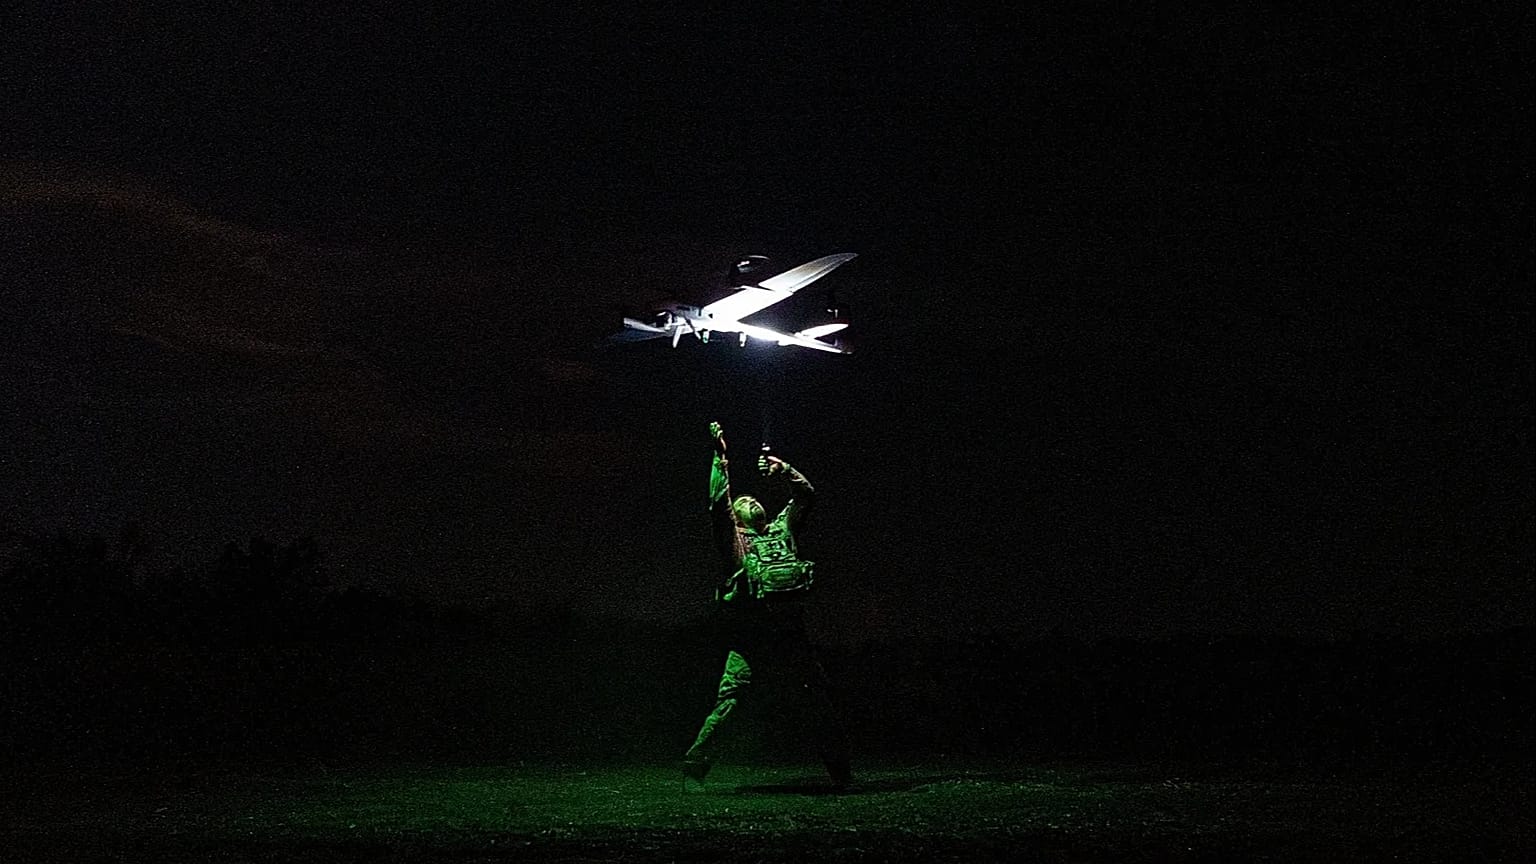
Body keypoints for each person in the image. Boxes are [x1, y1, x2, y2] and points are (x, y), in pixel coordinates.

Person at [680, 421, 852, 790]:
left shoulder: (781, 530)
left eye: (753, 499)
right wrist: (720, 459)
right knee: (729, 705)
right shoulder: (736, 546)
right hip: (751, 639)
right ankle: (695, 770)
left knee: (818, 702)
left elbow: (807, 496)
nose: (750, 500)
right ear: (739, 520)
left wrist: (784, 470)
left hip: (791, 637)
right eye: (743, 503)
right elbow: (717, 505)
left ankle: (841, 773)